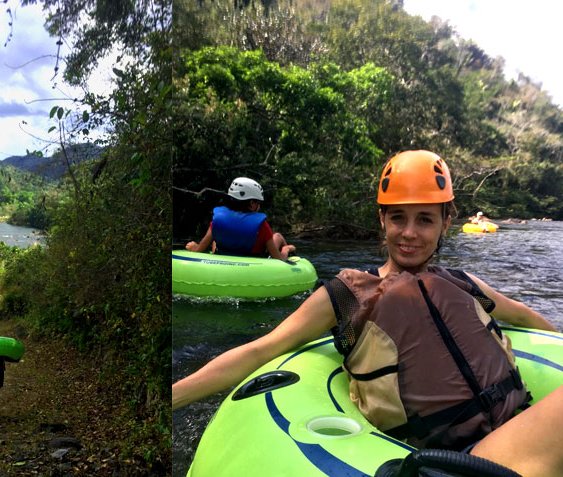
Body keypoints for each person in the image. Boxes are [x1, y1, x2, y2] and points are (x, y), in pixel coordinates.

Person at [172, 150, 563, 477]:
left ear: (446, 222)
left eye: (425, 219)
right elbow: (263, 349)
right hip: (455, 464)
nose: (409, 233)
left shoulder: (461, 282)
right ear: (382, 219)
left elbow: (527, 317)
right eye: (398, 218)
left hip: (519, 428)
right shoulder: (348, 293)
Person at [185, 177, 296, 260]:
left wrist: (195, 247)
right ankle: (288, 249)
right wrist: (285, 250)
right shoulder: (261, 226)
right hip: (254, 263)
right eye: (258, 202)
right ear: (252, 203)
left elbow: (199, 250)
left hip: (224, 257)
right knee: (277, 236)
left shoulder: (218, 220)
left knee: (215, 240)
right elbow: (278, 259)